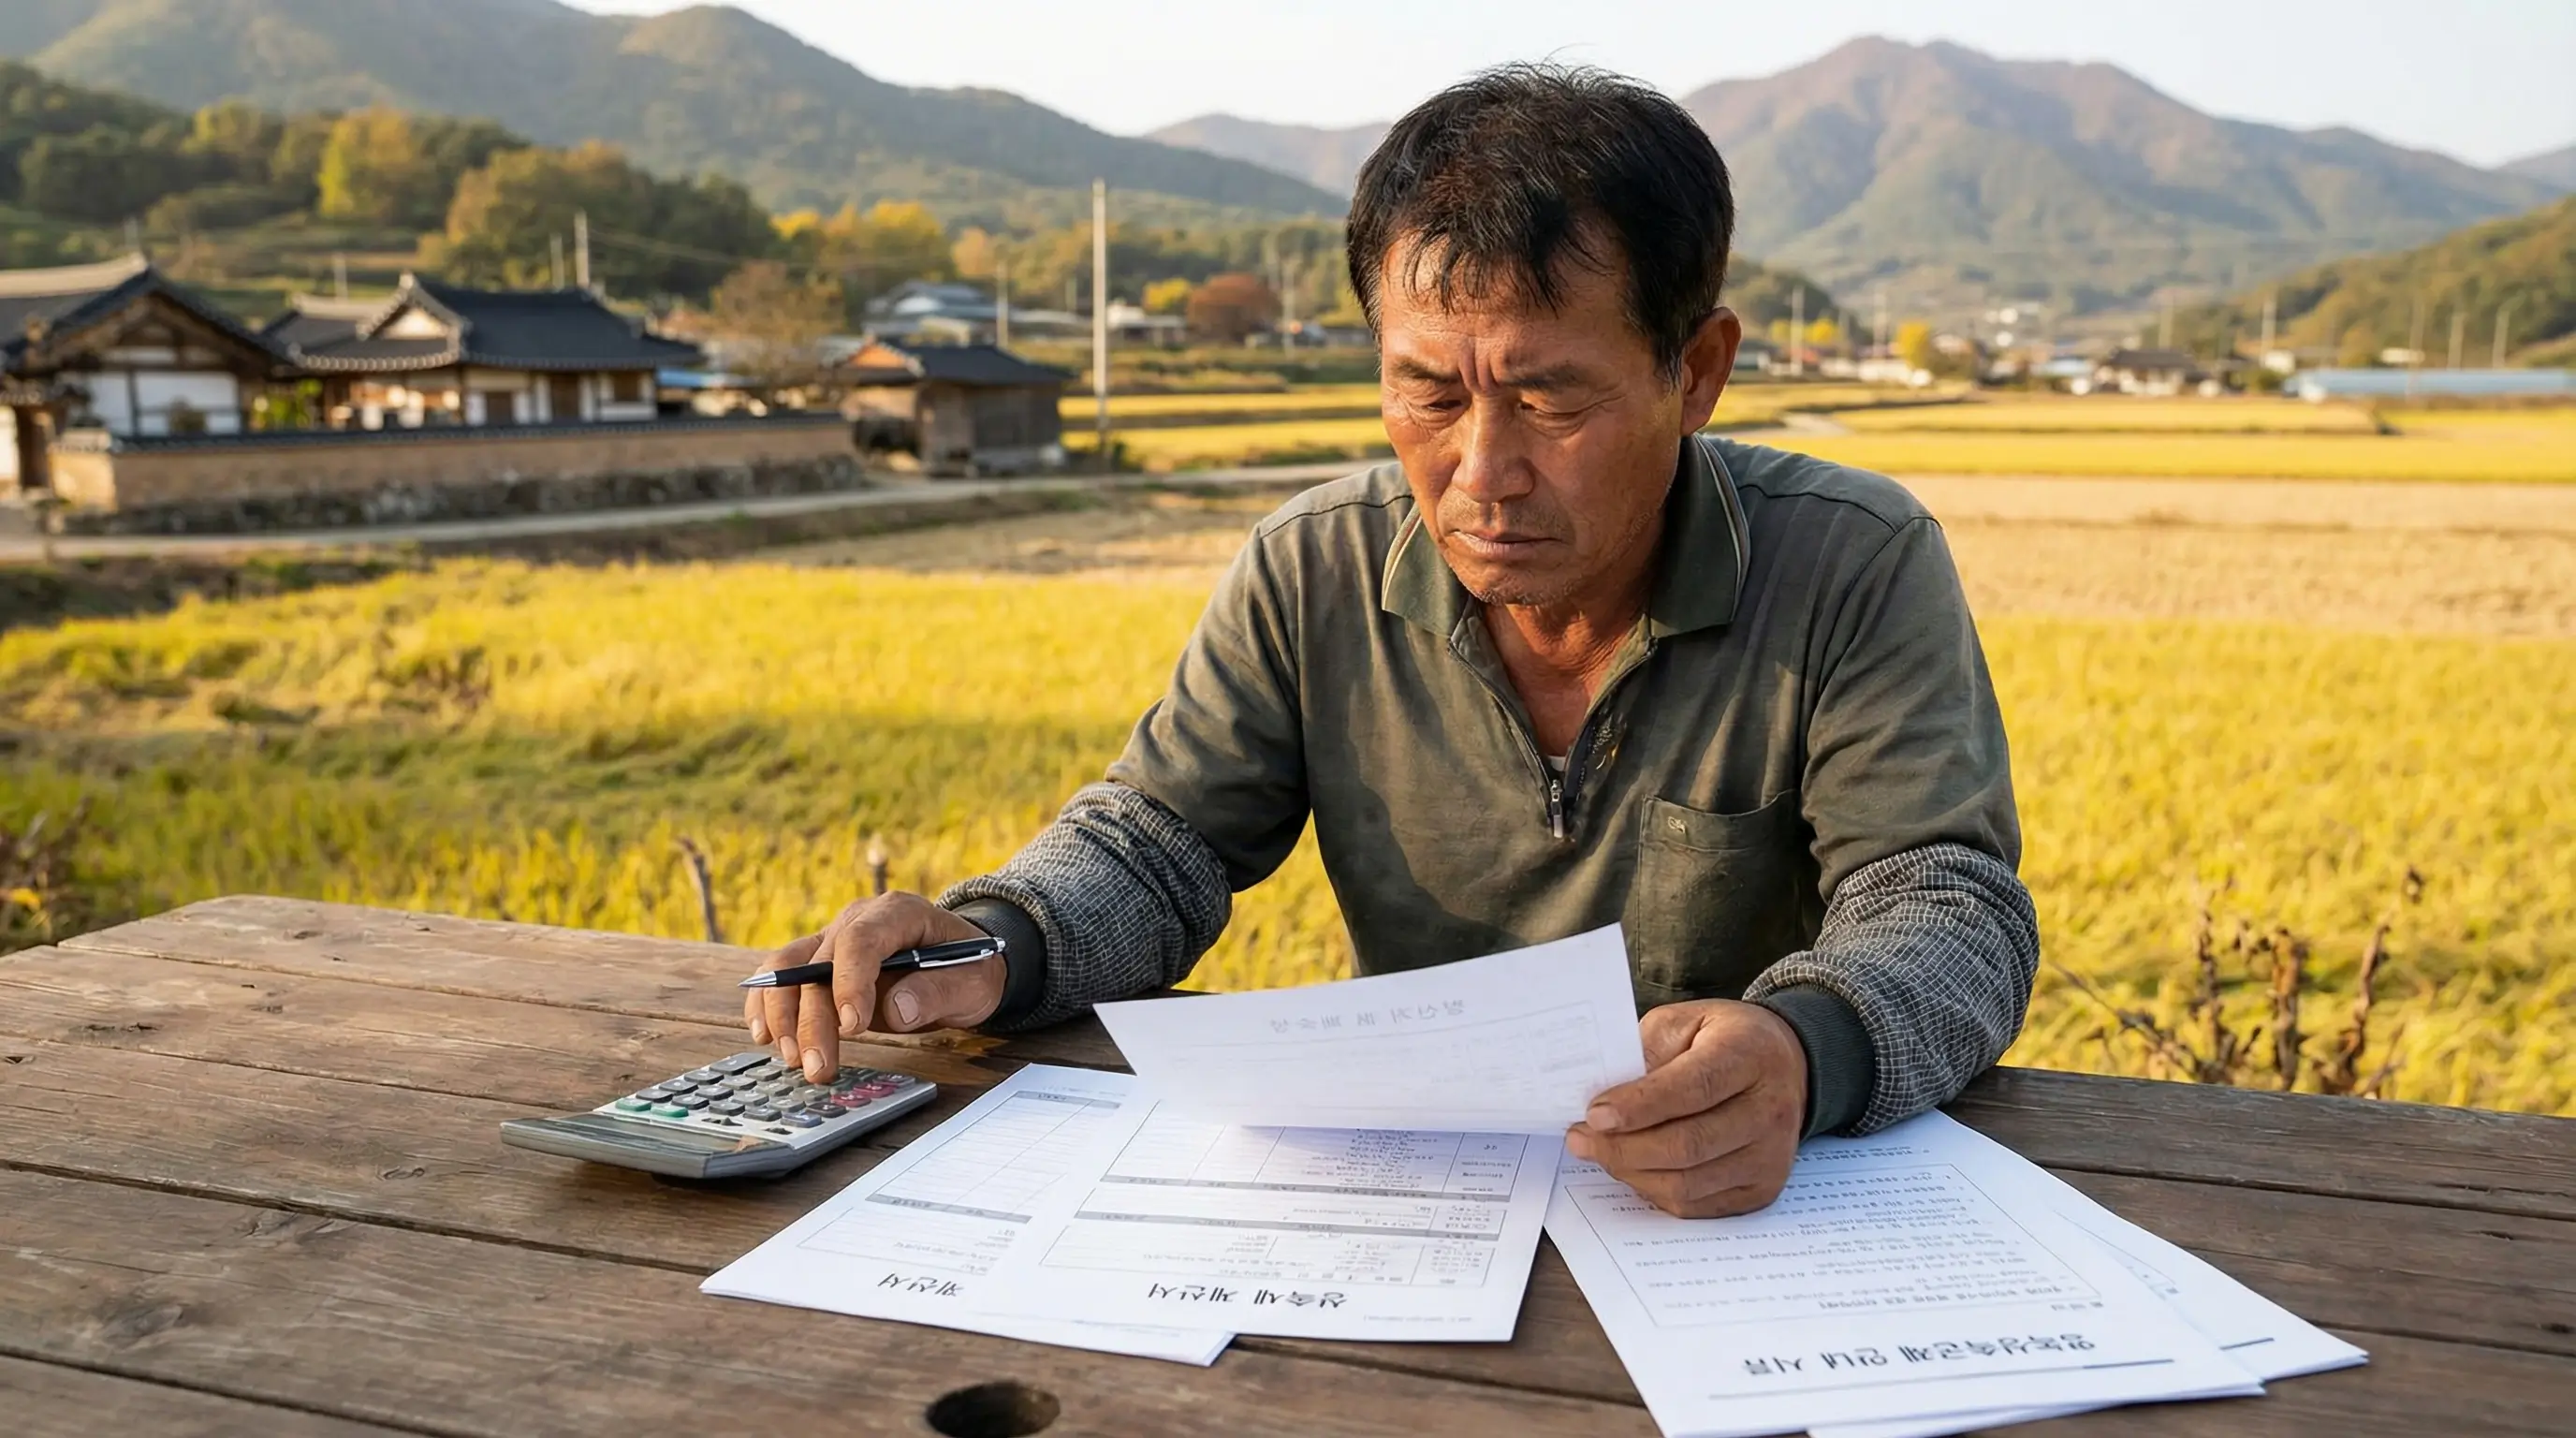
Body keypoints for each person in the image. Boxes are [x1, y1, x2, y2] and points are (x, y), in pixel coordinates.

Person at [744, 64, 2037, 1219]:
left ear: (1695, 371)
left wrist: (1804, 1050)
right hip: (1418, 1201)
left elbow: (1946, 901)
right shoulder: (1314, 568)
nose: (1482, 471)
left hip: (1731, 1215)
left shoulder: (1851, 563)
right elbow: (1158, 845)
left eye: (1549, 399)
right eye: (1428, 393)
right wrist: (992, 946)